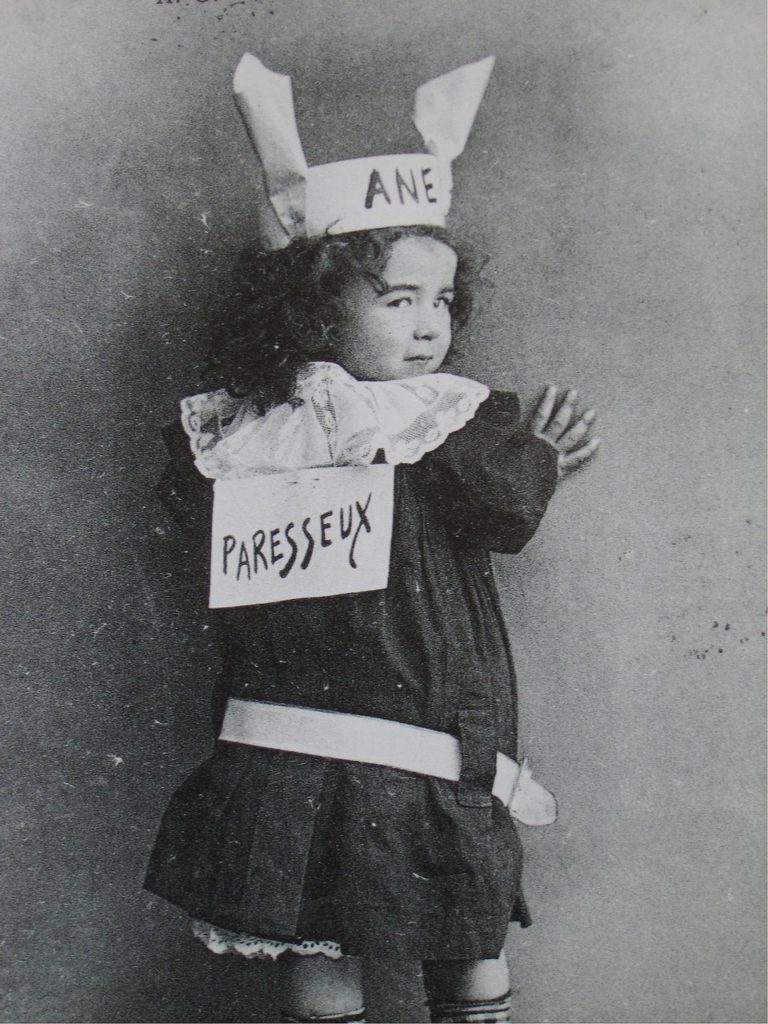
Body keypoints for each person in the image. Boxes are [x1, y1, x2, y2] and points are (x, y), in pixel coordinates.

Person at [144, 55, 599, 1024]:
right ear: (316, 310)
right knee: (327, 935)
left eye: (439, 301)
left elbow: (503, 509)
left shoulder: (438, 417)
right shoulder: (250, 428)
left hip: (427, 724)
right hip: (305, 723)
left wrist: (540, 458)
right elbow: (193, 516)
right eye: (397, 301)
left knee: (464, 937)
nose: (429, 326)